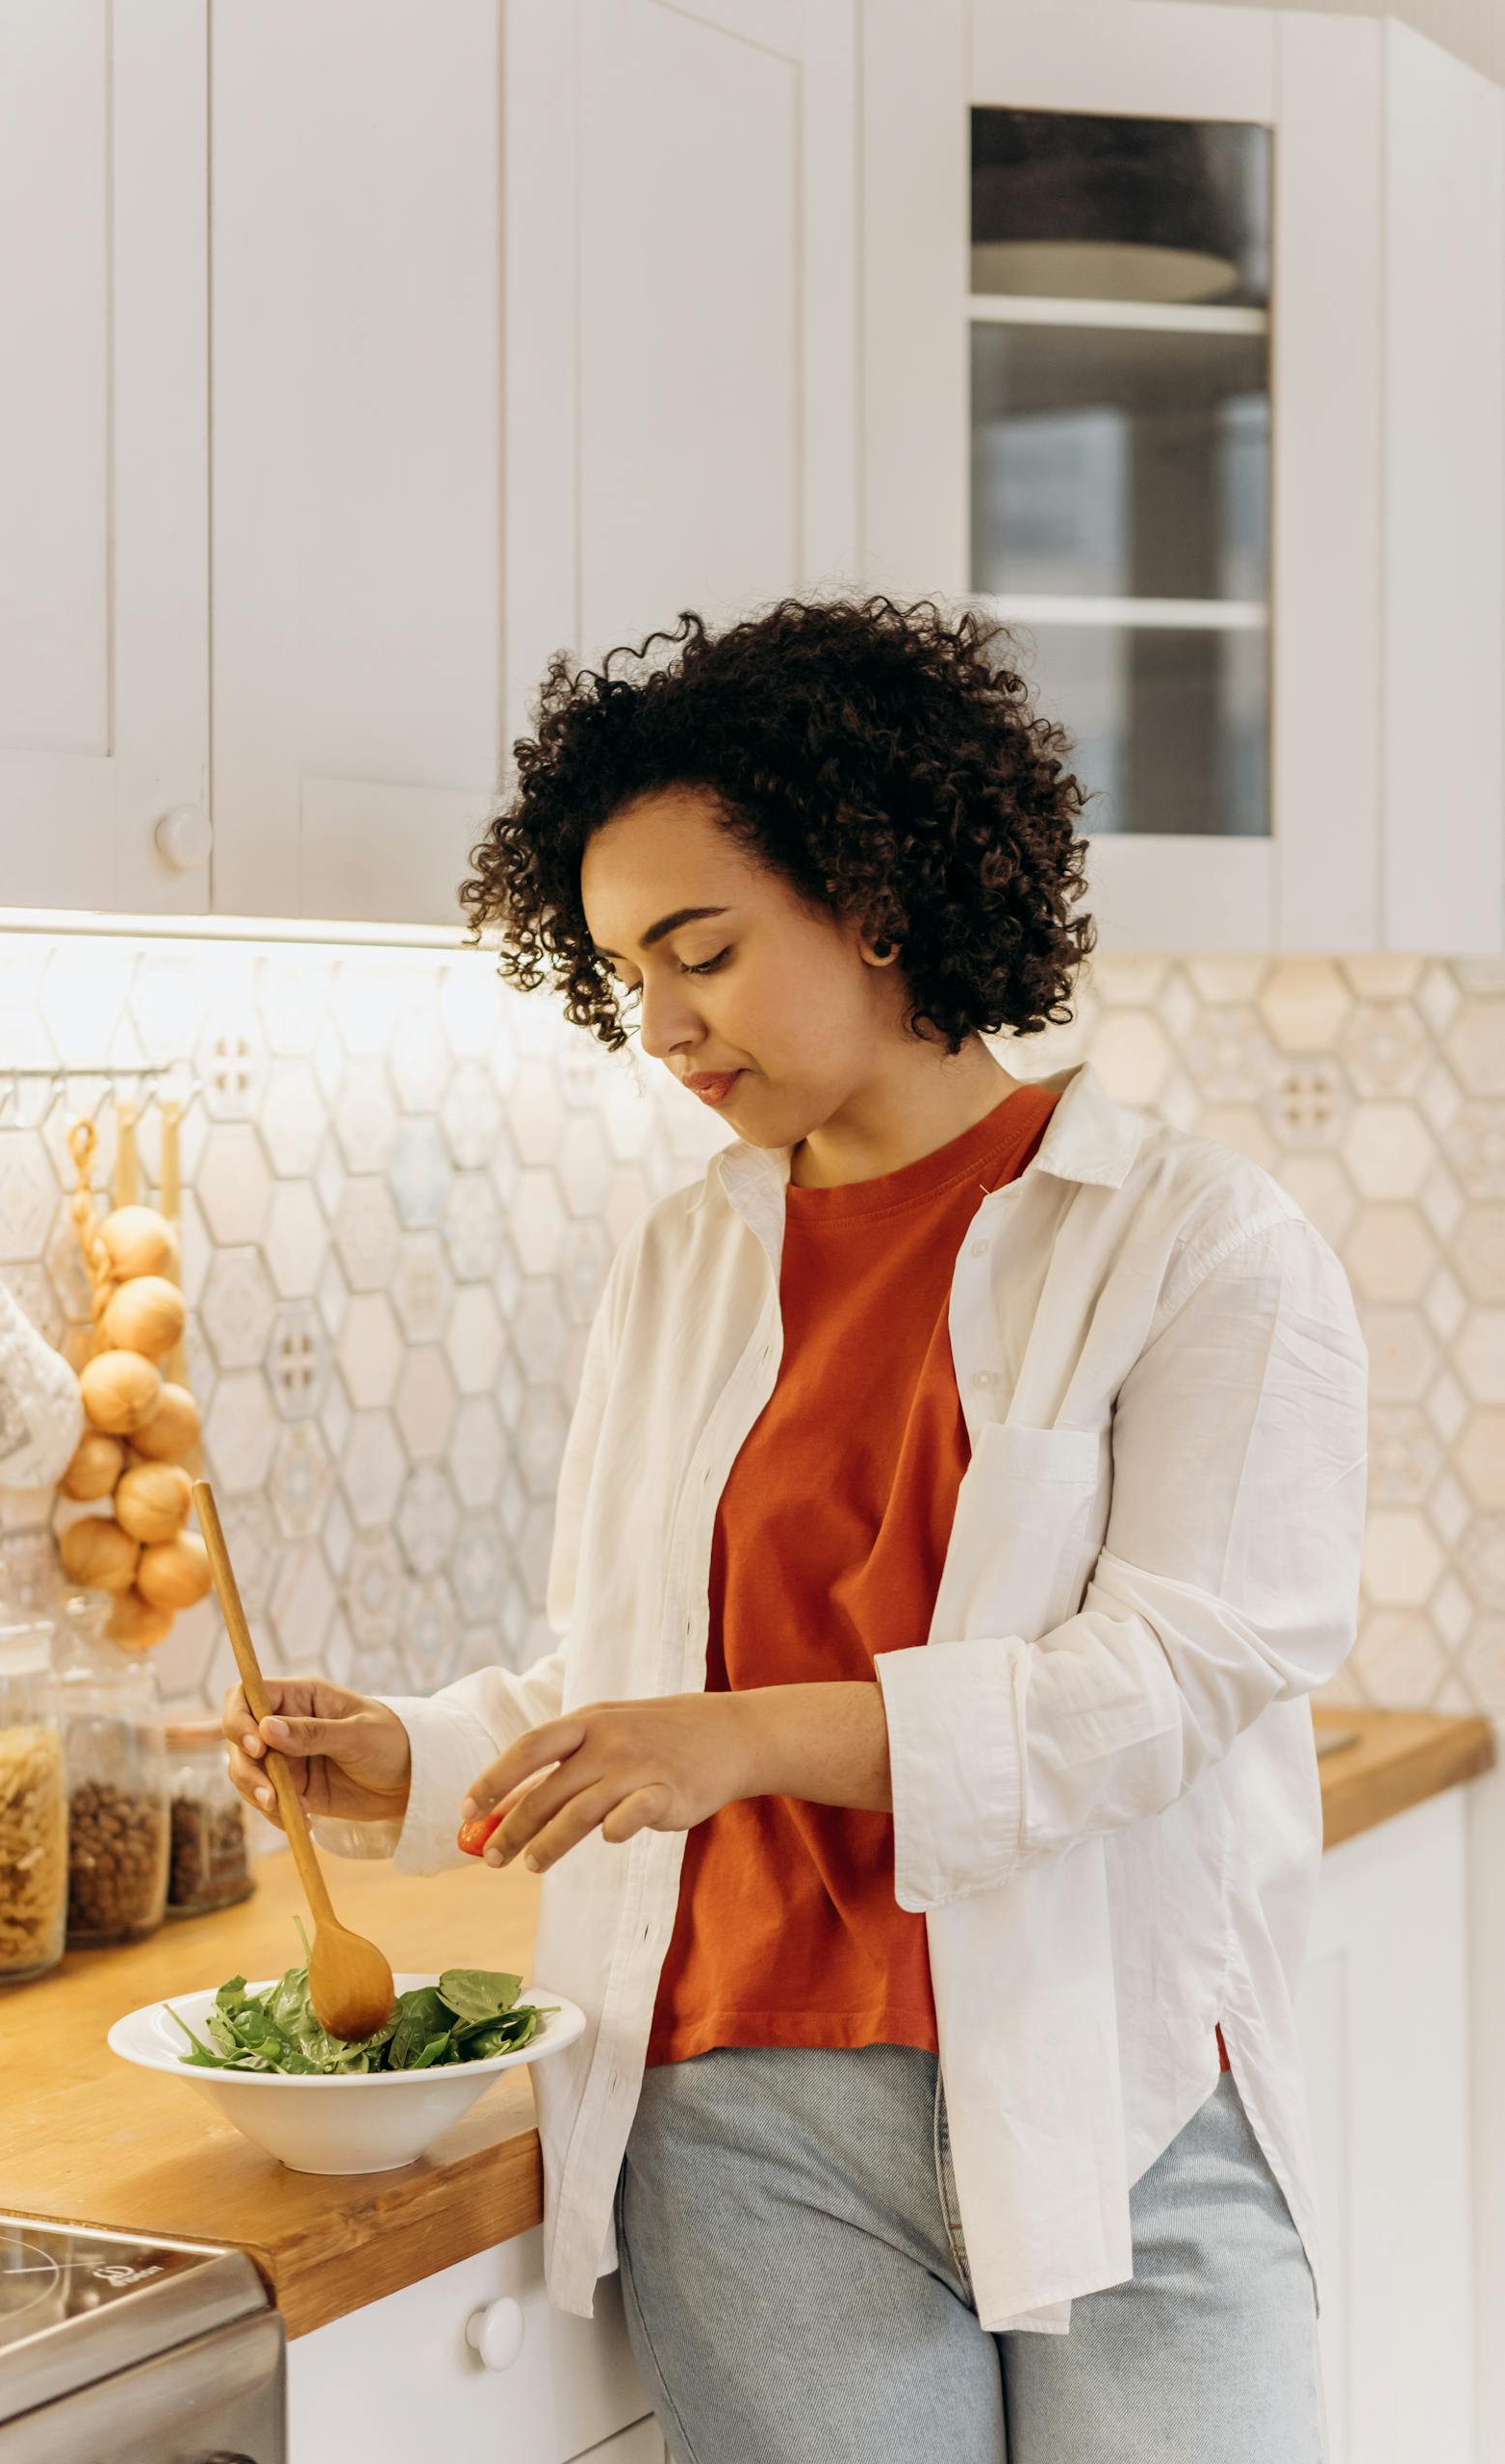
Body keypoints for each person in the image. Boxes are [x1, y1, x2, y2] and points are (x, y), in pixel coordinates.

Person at [221, 595, 1367, 2462]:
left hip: (1120, 2084)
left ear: (874, 895)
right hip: (741, 2116)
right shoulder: (683, 1255)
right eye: (620, 970)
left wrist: (744, 1732)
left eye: (701, 950)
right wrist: (414, 1756)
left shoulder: (1192, 1240)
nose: (657, 1022)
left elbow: (1175, 1673)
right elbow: (638, 1658)